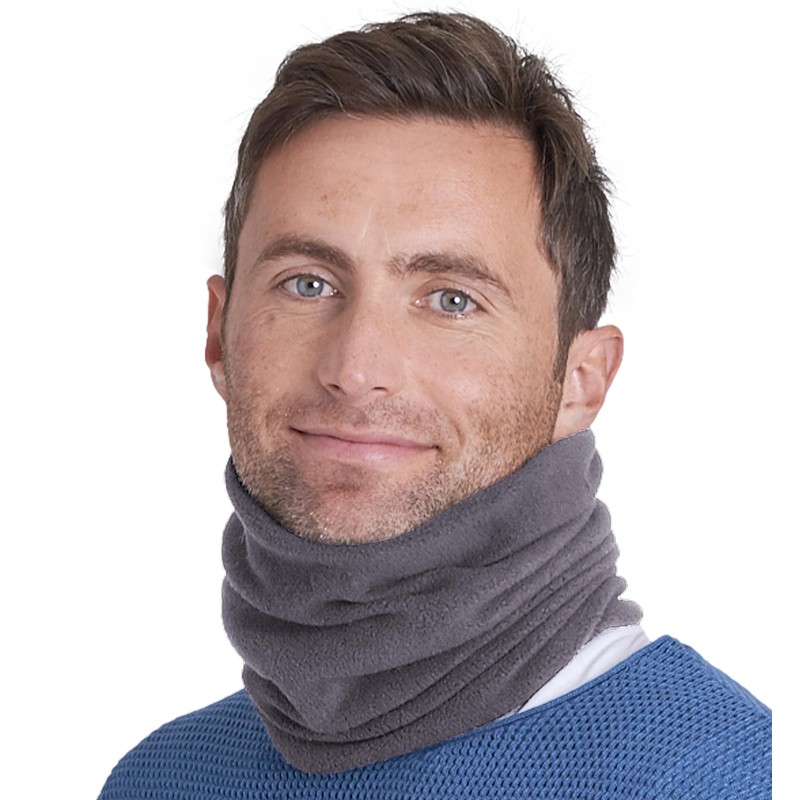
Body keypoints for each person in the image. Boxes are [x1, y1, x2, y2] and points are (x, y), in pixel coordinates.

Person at [98, 11, 771, 799]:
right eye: (307, 283)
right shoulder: (161, 779)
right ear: (219, 333)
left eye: (452, 299)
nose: (356, 370)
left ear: (582, 379)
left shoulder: (732, 778)